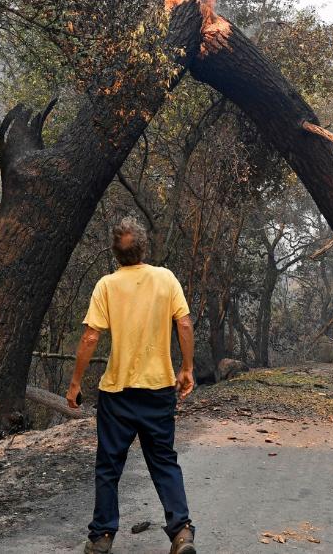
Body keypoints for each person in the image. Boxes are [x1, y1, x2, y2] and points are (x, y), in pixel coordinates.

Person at [66, 216, 197, 554]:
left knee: (109, 465)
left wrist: (75, 382)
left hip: (117, 394)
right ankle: (181, 532)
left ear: (115, 252)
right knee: (164, 461)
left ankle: (102, 536)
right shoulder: (165, 279)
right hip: (158, 391)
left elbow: (91, 335)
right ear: (143, 248)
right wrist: (187, 368)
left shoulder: (107, 286)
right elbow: (183, 323)